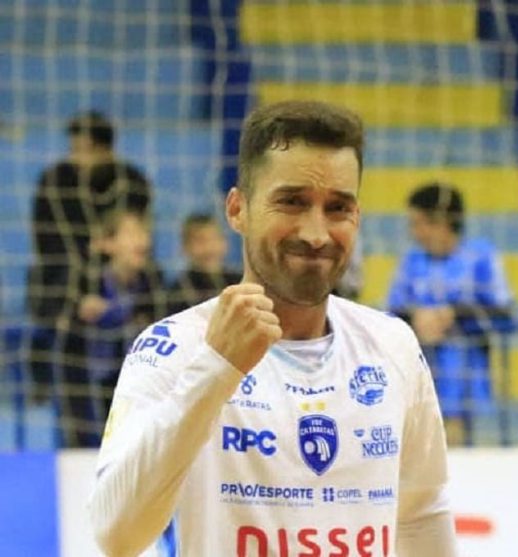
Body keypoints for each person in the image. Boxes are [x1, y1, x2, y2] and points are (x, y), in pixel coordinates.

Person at [89, 101, 457, 556]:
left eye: (337, 207)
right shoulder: (175, 346)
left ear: (357, 217)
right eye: (292, 202)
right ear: (237, 210)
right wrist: (216, 368)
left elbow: (422, 513)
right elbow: (115, 535)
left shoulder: (391, 344)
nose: (316, 233)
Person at [28, 111, 152, 432]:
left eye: (83, 150)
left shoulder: (132, 182)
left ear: (104, 150)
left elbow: (142, 235)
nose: (75, 158)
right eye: (73, 149)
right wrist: (83, 286)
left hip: (120, 280)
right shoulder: (54, 181)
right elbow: (47, 244)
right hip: (68, 279)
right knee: (57, 305)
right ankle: (50, 390)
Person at [386, 183, 513, 447]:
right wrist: (416, 317)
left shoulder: (480, 255)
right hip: (418, 370)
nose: (413, 232)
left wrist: (452, 315)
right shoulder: (413, 259)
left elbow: (503, 310)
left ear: (441, 223)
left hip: (465, 371)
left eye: (418, 223)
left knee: (458, 444)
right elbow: (392, 311)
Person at [67, 210, 165, 448]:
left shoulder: (154, 283)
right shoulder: (88, 281)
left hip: (144, 379)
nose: (141, 239)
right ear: (106, 244)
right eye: (131, 233)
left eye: (143, 233)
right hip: (98, 380)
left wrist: (111, 311)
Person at [167, 213, 242, 314]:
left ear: (225, 242)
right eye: (200, 241)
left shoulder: (239, 281)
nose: (209, 248)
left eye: (215, 239)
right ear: (185, 247)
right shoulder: (178, 290)